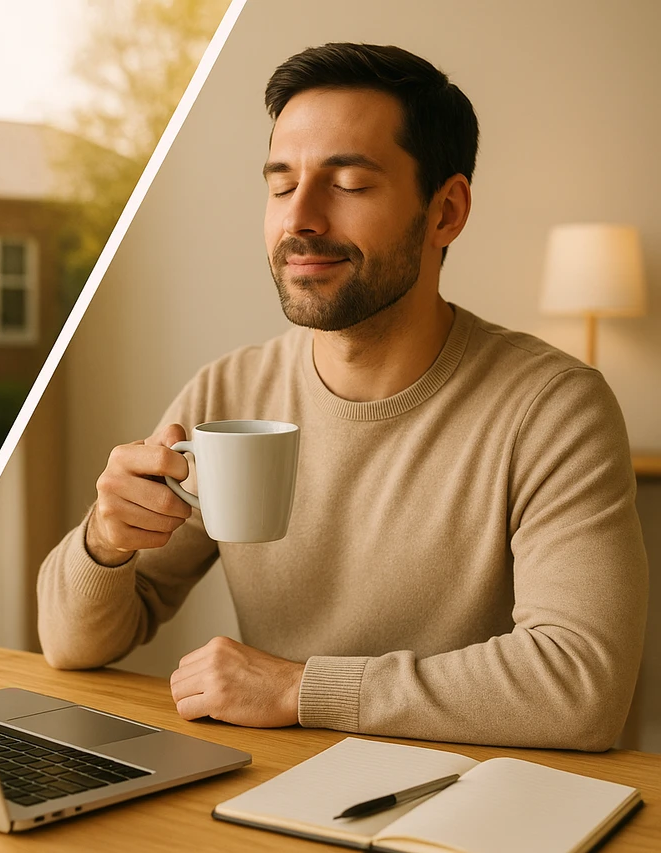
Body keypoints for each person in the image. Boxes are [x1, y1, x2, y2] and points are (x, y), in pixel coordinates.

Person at [36, 43, 648, 752]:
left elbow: (581, 686)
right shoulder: (229, 393)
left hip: (476, 805)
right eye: (279, 183)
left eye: (349, 183)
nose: (300, 218)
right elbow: (68, 645)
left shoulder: (554, 408)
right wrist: (104, 543)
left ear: (446, 211)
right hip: (273, 790)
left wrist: (299, 689)